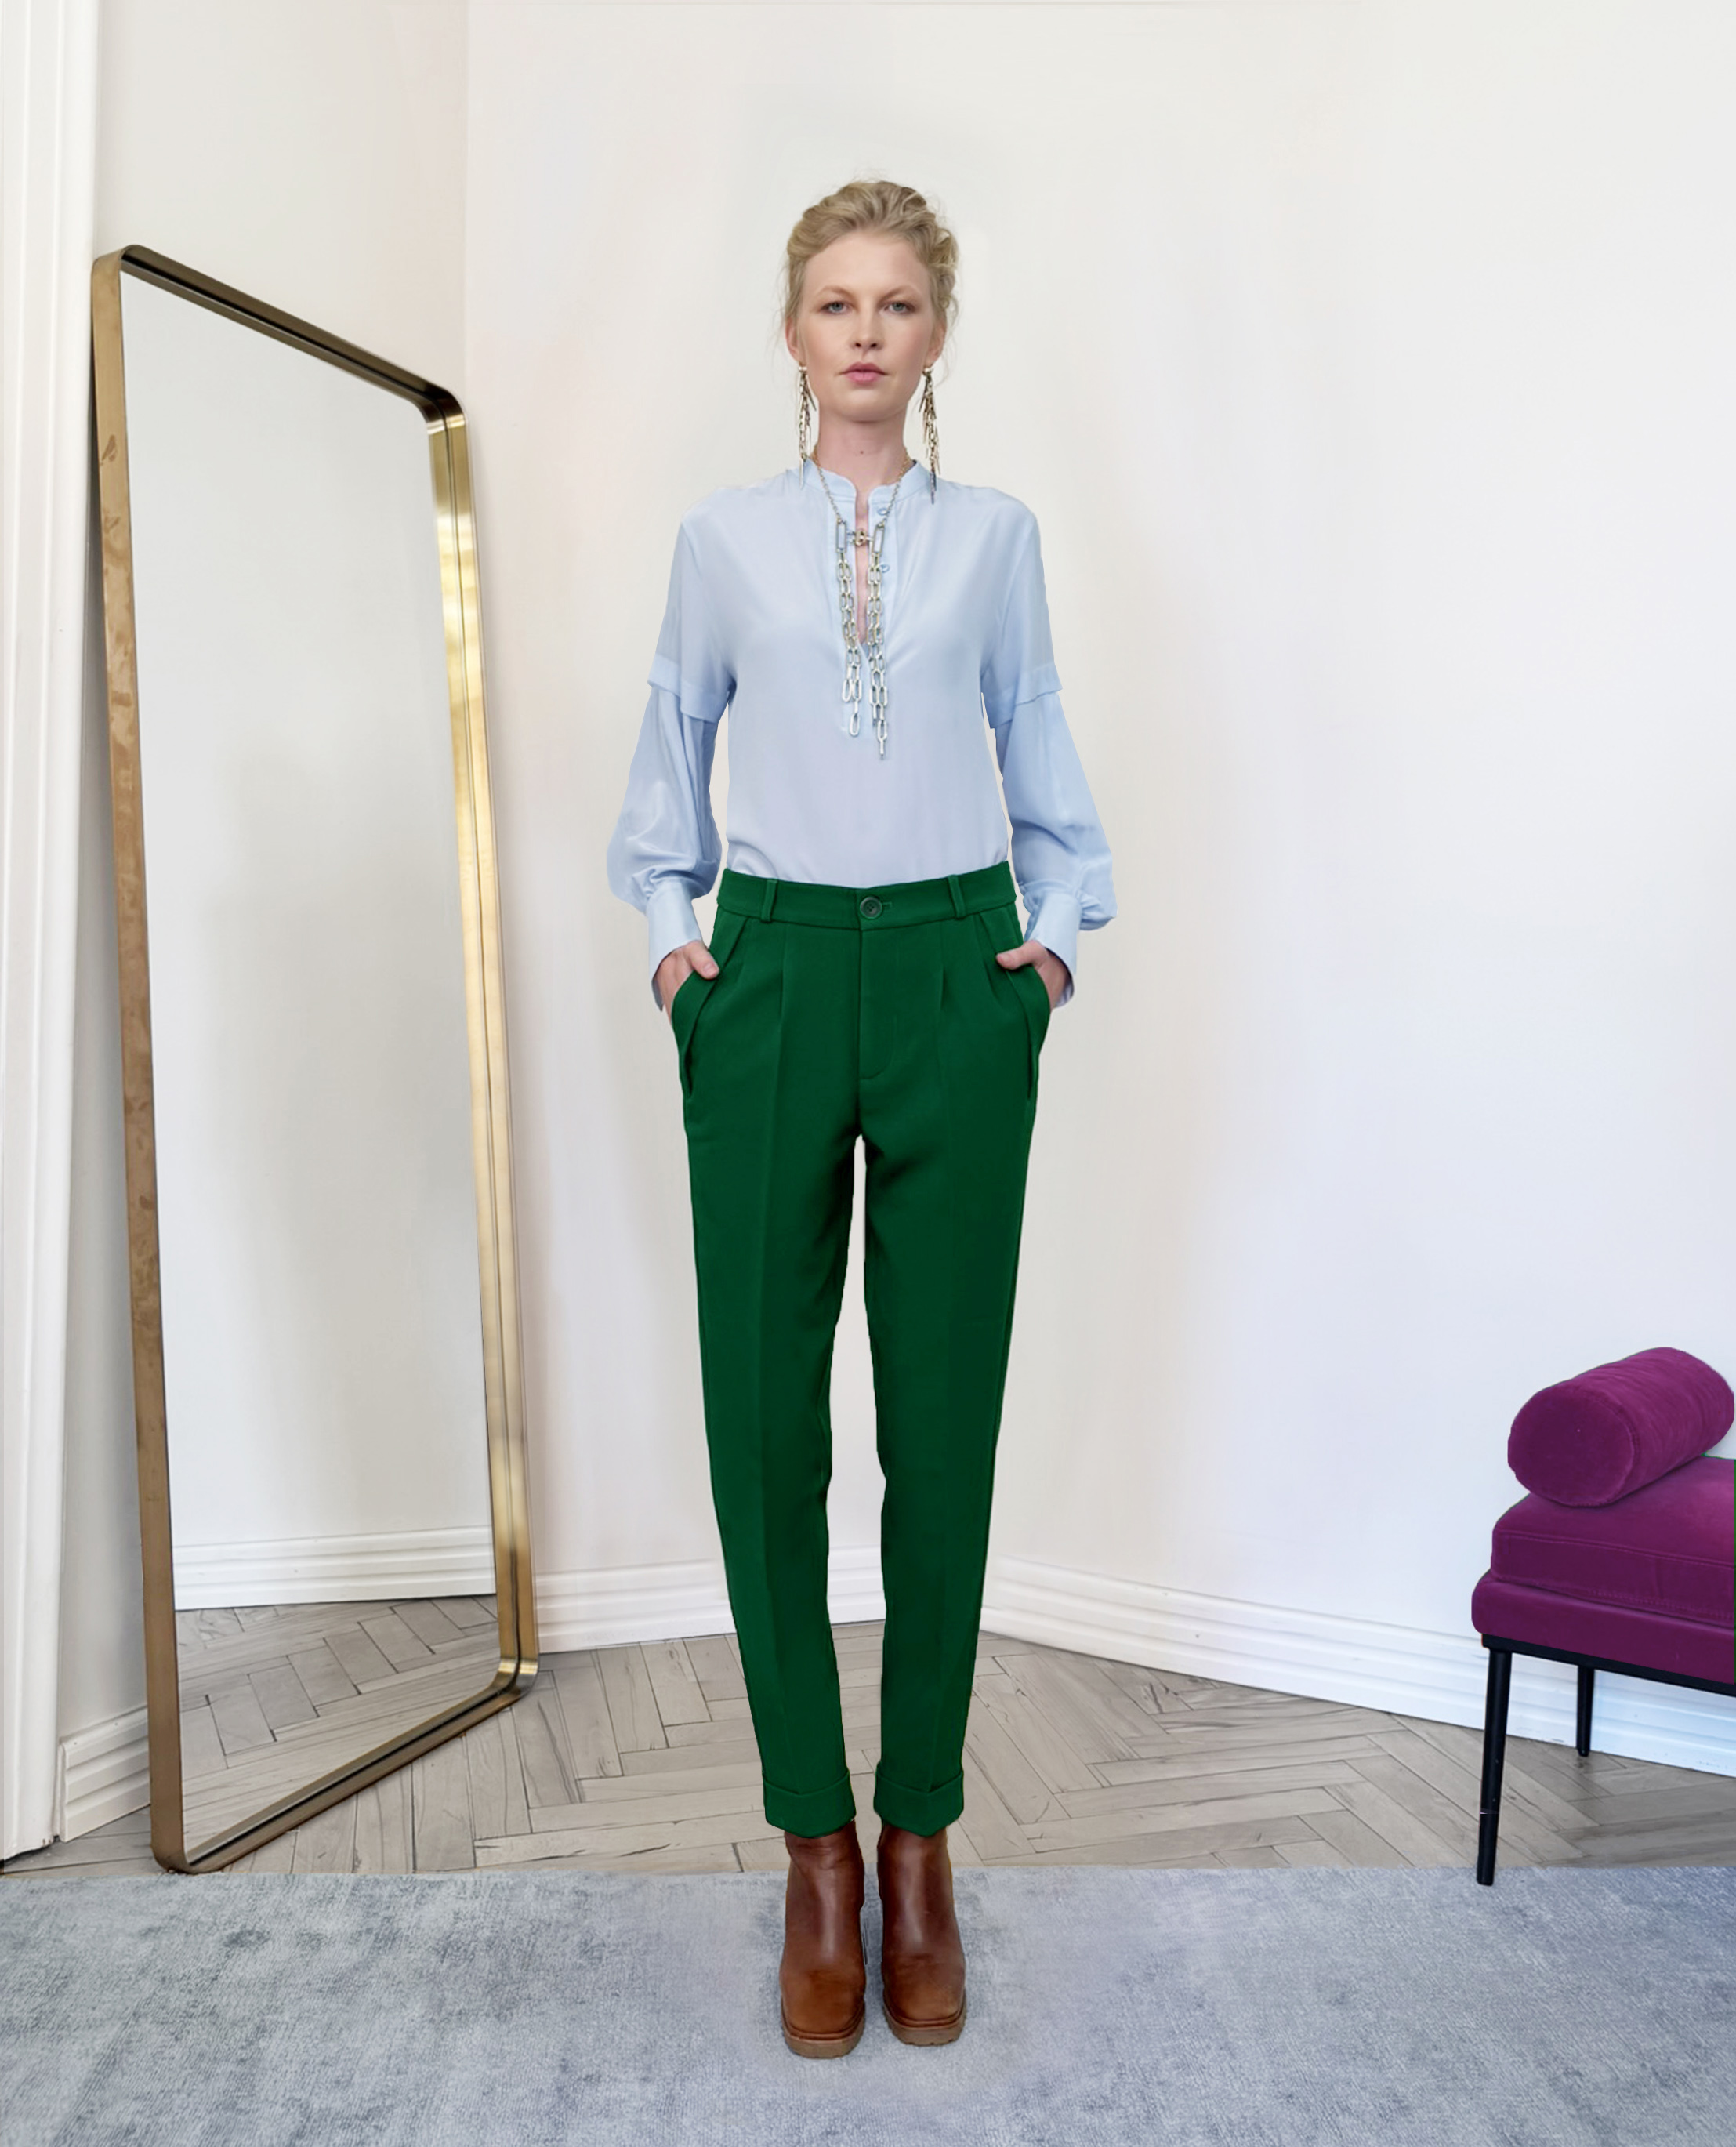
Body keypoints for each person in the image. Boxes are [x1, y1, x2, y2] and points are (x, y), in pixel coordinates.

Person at [607, 180, 1116, 2058]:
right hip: (771, 978)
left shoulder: (997, 539)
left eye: (898, 303)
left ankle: (920, 1843)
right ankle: (813, 1849)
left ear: (936, 333)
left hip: (957, 978)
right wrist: (681, 955)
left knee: (942, 1428)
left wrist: (1049, 952)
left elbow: (1041, 749)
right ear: (792, 328)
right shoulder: (720, 542)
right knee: (764, 1427)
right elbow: (667, 759)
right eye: (835, 301)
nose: (866, 332)